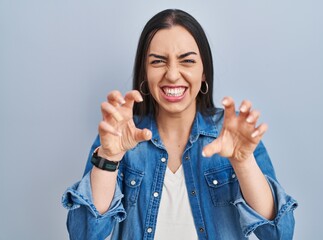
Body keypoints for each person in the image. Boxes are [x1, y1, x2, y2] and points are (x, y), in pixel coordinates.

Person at [62, 9, 297, 240]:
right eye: (158, 62)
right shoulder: (119, 136)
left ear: (203, 71)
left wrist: (242, 161)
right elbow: (84, 234)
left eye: (187, 61)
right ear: (144, 71)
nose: (173, 75)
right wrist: (109, 159)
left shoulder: (233, 133)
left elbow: (278, 233)